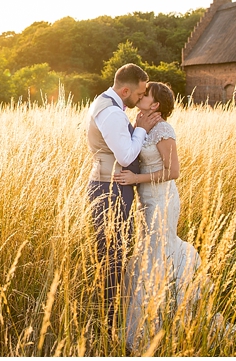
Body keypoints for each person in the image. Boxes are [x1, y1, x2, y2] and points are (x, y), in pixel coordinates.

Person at [113, 81, 201, 350]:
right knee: (151, 254)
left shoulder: (164, 129)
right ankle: (157, 320)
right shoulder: (145, 124)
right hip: (146, 201)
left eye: (145, 94)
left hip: (162, 201)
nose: (140, 95)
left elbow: (173, 171)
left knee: (156, 255)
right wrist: (140, 127)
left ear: (156, 105)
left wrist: (136, 178)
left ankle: (145, 332)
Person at [85, 63, 162, 328]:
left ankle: (110, 317)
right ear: (126, 89)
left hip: (111, 186)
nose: (141, 99)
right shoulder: (113, 114)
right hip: (111, 189)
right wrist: (140, 127)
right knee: (113, 256)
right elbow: (126, 155)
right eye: (140, 95)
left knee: (114, 254)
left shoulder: (107, 105)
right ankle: (110, 322)